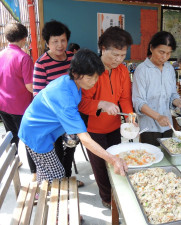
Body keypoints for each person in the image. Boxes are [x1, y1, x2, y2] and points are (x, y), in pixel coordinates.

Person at [18, 49, 127, 184]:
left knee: (45, 169)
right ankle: (49, 198)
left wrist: (102, 104)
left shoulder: (70, 81)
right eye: (89, 78)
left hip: (41, 129)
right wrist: (112, 159)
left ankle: (40, 192)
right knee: (57, 174)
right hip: (37, 134)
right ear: (75, 73)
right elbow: (85, 139)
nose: (93, 82)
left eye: (96, 77)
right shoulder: (65, 96)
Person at [78, 27, 133, 209]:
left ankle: (117, 194)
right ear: (102, 48)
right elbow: (82, 103)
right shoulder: (92, 70)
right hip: (93, 129)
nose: (118, 59)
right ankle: (107, 198)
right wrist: (102, 104)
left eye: (122, 55)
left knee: (116, 161)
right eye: (115, 54)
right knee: (100, 165)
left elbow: (124, 98)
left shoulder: (123, 71)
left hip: (115, 125)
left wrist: (130, 116)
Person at [32, 20, 84, 186]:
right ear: (47, 43)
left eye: (63, 40)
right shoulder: (41, 64)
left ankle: (67, 179)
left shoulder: (73, 58)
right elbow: (38, 95)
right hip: (53, 119)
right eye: (55, 41)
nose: (60, 45)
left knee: (70, 148)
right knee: (56, 153)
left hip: (71, 114)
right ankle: (58, 184)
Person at [132, 31, 181, 146]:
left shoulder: (169, 69)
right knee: (151, 159)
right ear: (151, 48)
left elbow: (173, 94)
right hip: (149, 127)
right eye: (161, 52)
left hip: (167, 125)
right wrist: (157, 117)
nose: (164, 57)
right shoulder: (142, 70)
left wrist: (179, 103)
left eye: (168, 53)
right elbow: (138, 102)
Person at [0, 22, 34, 168]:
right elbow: (31, 86)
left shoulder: (1, 54)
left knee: (11, 136)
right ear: (24, 38)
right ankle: (34, 170)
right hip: (21, 107)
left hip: (3, 104)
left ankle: (14, 162)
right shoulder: (24, 58)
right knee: (29, 139)